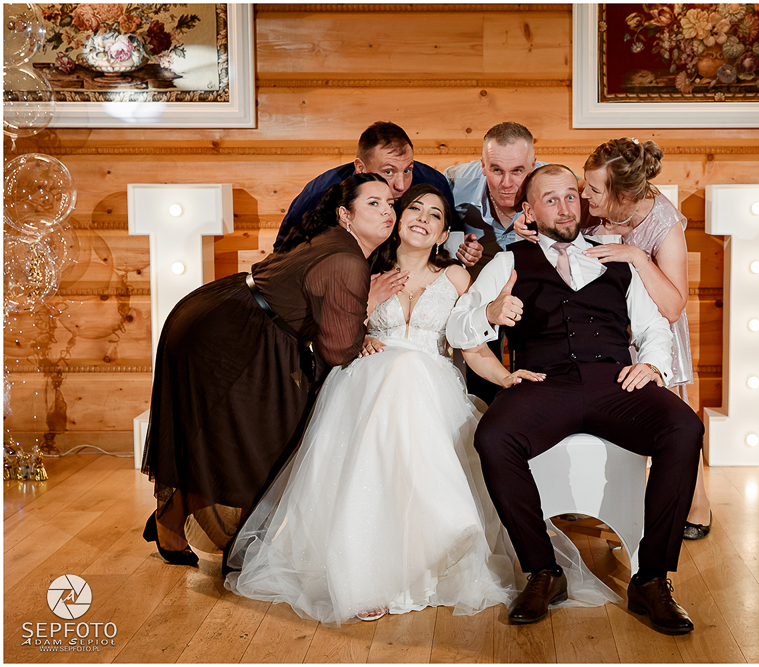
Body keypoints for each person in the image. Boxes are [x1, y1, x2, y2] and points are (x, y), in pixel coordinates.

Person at [226, 184, 615, 624]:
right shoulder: (363, 268)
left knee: (409, 371)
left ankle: (427, 554)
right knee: (394, 383)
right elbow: (330, 330)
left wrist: (506, 377)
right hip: (365, 383)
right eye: (415, 208)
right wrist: (363, 318)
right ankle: (365, 573)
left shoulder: (457, 278)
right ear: (398, 220)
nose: (423, 219)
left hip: (429, 386)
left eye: (435, 215)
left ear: (443, 233)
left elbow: (470, 346)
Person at [447, 165, 703, 635]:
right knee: (494, 438)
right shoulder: (508, 261)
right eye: (551, 199)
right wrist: (489, 312)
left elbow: (653, 326)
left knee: (685, 427)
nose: (565, 208)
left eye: (571, 196)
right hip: (544, 382)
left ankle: (651, 579)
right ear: (529, 210)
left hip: (615, 382)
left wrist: (653, 366)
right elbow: (458, 327)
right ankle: (543, 570)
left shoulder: (617, 257)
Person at [141, 173, 397, 567]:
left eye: (390, 204)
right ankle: (184, 527)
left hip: (226, 316)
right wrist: (368, 309)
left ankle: (172, 523)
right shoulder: (348, 259)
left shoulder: (338, 244)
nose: (387, 212)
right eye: (374, 203)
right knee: (249, 441)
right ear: (345, 214)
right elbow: (338, 350)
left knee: (229, 438)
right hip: (229, 333)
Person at [513, 138, 711, 540]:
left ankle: (696, 504)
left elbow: (673, 307)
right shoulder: (591, 203)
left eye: (593, 190)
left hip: (649, 325)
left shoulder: (664, 224)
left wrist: (637, 257)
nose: (584, 196)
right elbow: (558, 220)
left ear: (622, 196)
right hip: (599, 328)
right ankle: (605, 504)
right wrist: (526, 222)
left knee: (671, 422)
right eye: (584, 187)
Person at [445, 121, 542, 403]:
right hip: (479, 289)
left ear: (533, 165)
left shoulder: (552, 183)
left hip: (535, 288)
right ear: (483, 165)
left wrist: (539, 223)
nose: (507, 183)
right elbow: (433, 228)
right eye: (496, 170)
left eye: (518, 171)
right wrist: (456, 250)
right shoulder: (454, 183)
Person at [274, 121, 454, 249]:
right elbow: (283, 249)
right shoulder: (319, 193)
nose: (401, 185)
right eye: (388, 172)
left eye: (407, 170)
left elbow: (449, 239)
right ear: (361, 168)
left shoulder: (434, 185)